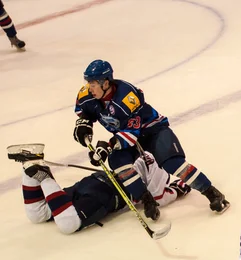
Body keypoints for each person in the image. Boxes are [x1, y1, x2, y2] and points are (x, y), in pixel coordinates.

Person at [72, 59, 229, 221]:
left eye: (93, 84)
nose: (89, 88)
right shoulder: (86, 94)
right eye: (88, 83)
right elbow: (84, 111)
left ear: (105, 83)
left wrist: (109, 145)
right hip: (126, 134)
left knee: (173, 163)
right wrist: (84, 124)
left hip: (153, 131)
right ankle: (147, 200)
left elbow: (131, 134)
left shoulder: (127, 97)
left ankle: (211, 192)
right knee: (118, 162)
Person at [10, 145, 190, 234]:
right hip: (106, 194)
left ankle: (29, 168)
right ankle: (43, 175)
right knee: (68, 224)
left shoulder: (136, 148)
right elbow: (160, 196)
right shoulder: (155, 164)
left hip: (92, 181)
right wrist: (179, 188)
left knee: (38, 214)